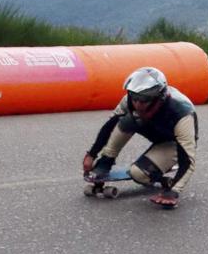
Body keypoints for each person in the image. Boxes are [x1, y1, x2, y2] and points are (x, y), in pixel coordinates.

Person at [83, 67, 198, 208]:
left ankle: (160, 173)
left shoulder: (182, 113)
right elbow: (109, 125)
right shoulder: (130, 99)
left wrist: (173, 191)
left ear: (159, 98)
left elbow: (188, 159)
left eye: (144, 99)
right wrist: (92, 154)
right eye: (134, 96)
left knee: (138, 174)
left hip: (172, 143)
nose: (137, 103)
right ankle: (106, 160)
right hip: (155, 130)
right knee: (128, 119)